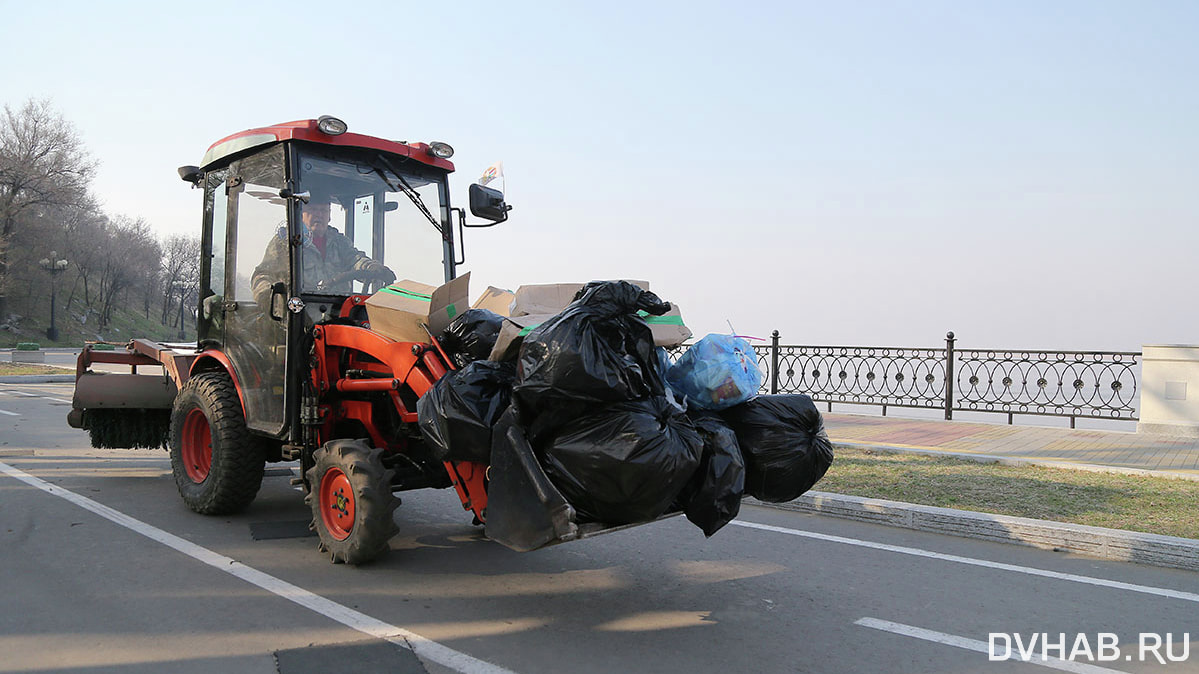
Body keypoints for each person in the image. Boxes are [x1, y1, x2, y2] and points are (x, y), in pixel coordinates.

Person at [253, 199, 395, 299]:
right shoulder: (286, 242)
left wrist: (375, 269)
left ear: (329, 215)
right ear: (301, 214)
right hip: (300, 319)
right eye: (313, 209)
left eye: (323, 210)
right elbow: (262, 275)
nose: (319, 215)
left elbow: (356, 260)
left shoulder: (339, 242)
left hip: (337, 314)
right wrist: (268, 295)